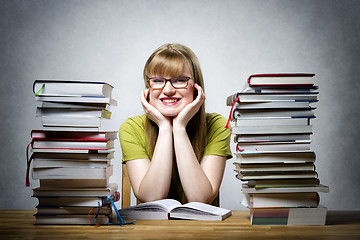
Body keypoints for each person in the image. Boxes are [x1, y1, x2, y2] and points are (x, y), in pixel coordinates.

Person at [119, 43, 232, 206]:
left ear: (196, 86)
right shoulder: (131, 128)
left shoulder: (217, 125)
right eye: (158, 80)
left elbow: (200, 199)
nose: (169, 90)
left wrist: (179, 128)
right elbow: (152, 199)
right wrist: (165, 128)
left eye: (180, 80)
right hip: (150, 230)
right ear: (147, 88)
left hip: (203, 229)